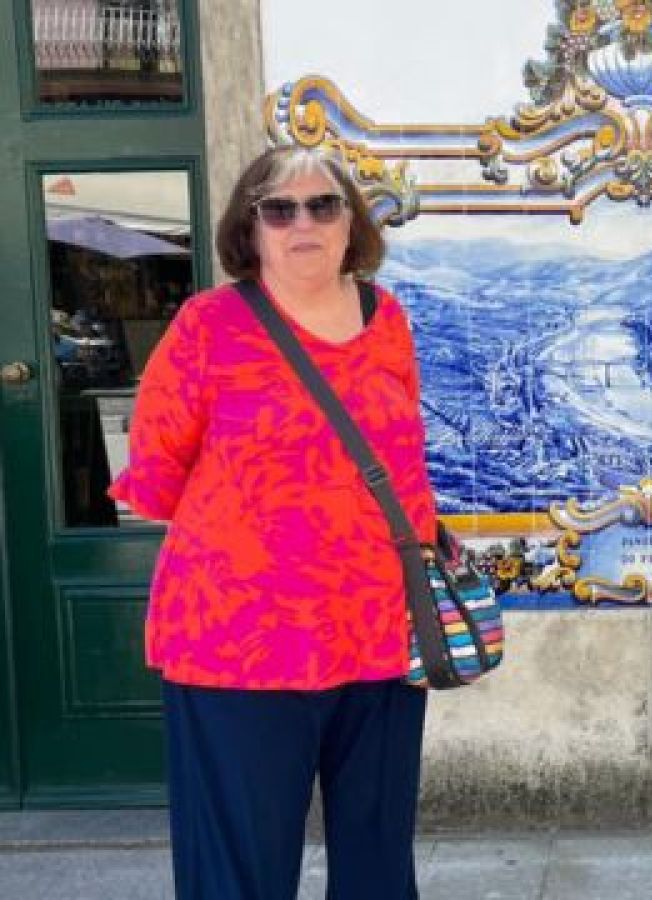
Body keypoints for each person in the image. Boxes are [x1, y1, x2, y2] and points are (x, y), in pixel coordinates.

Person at [110, 145, 437, 899]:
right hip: (240, 641)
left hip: (378, 633)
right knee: (241, 875)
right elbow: (154, 474)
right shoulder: (208, 325)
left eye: (324, 205)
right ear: (250, 228)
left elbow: (403, 453)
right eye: (279, 209)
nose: (303, 223)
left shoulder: (387, 319)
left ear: (351, 223)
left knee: (379, 869)